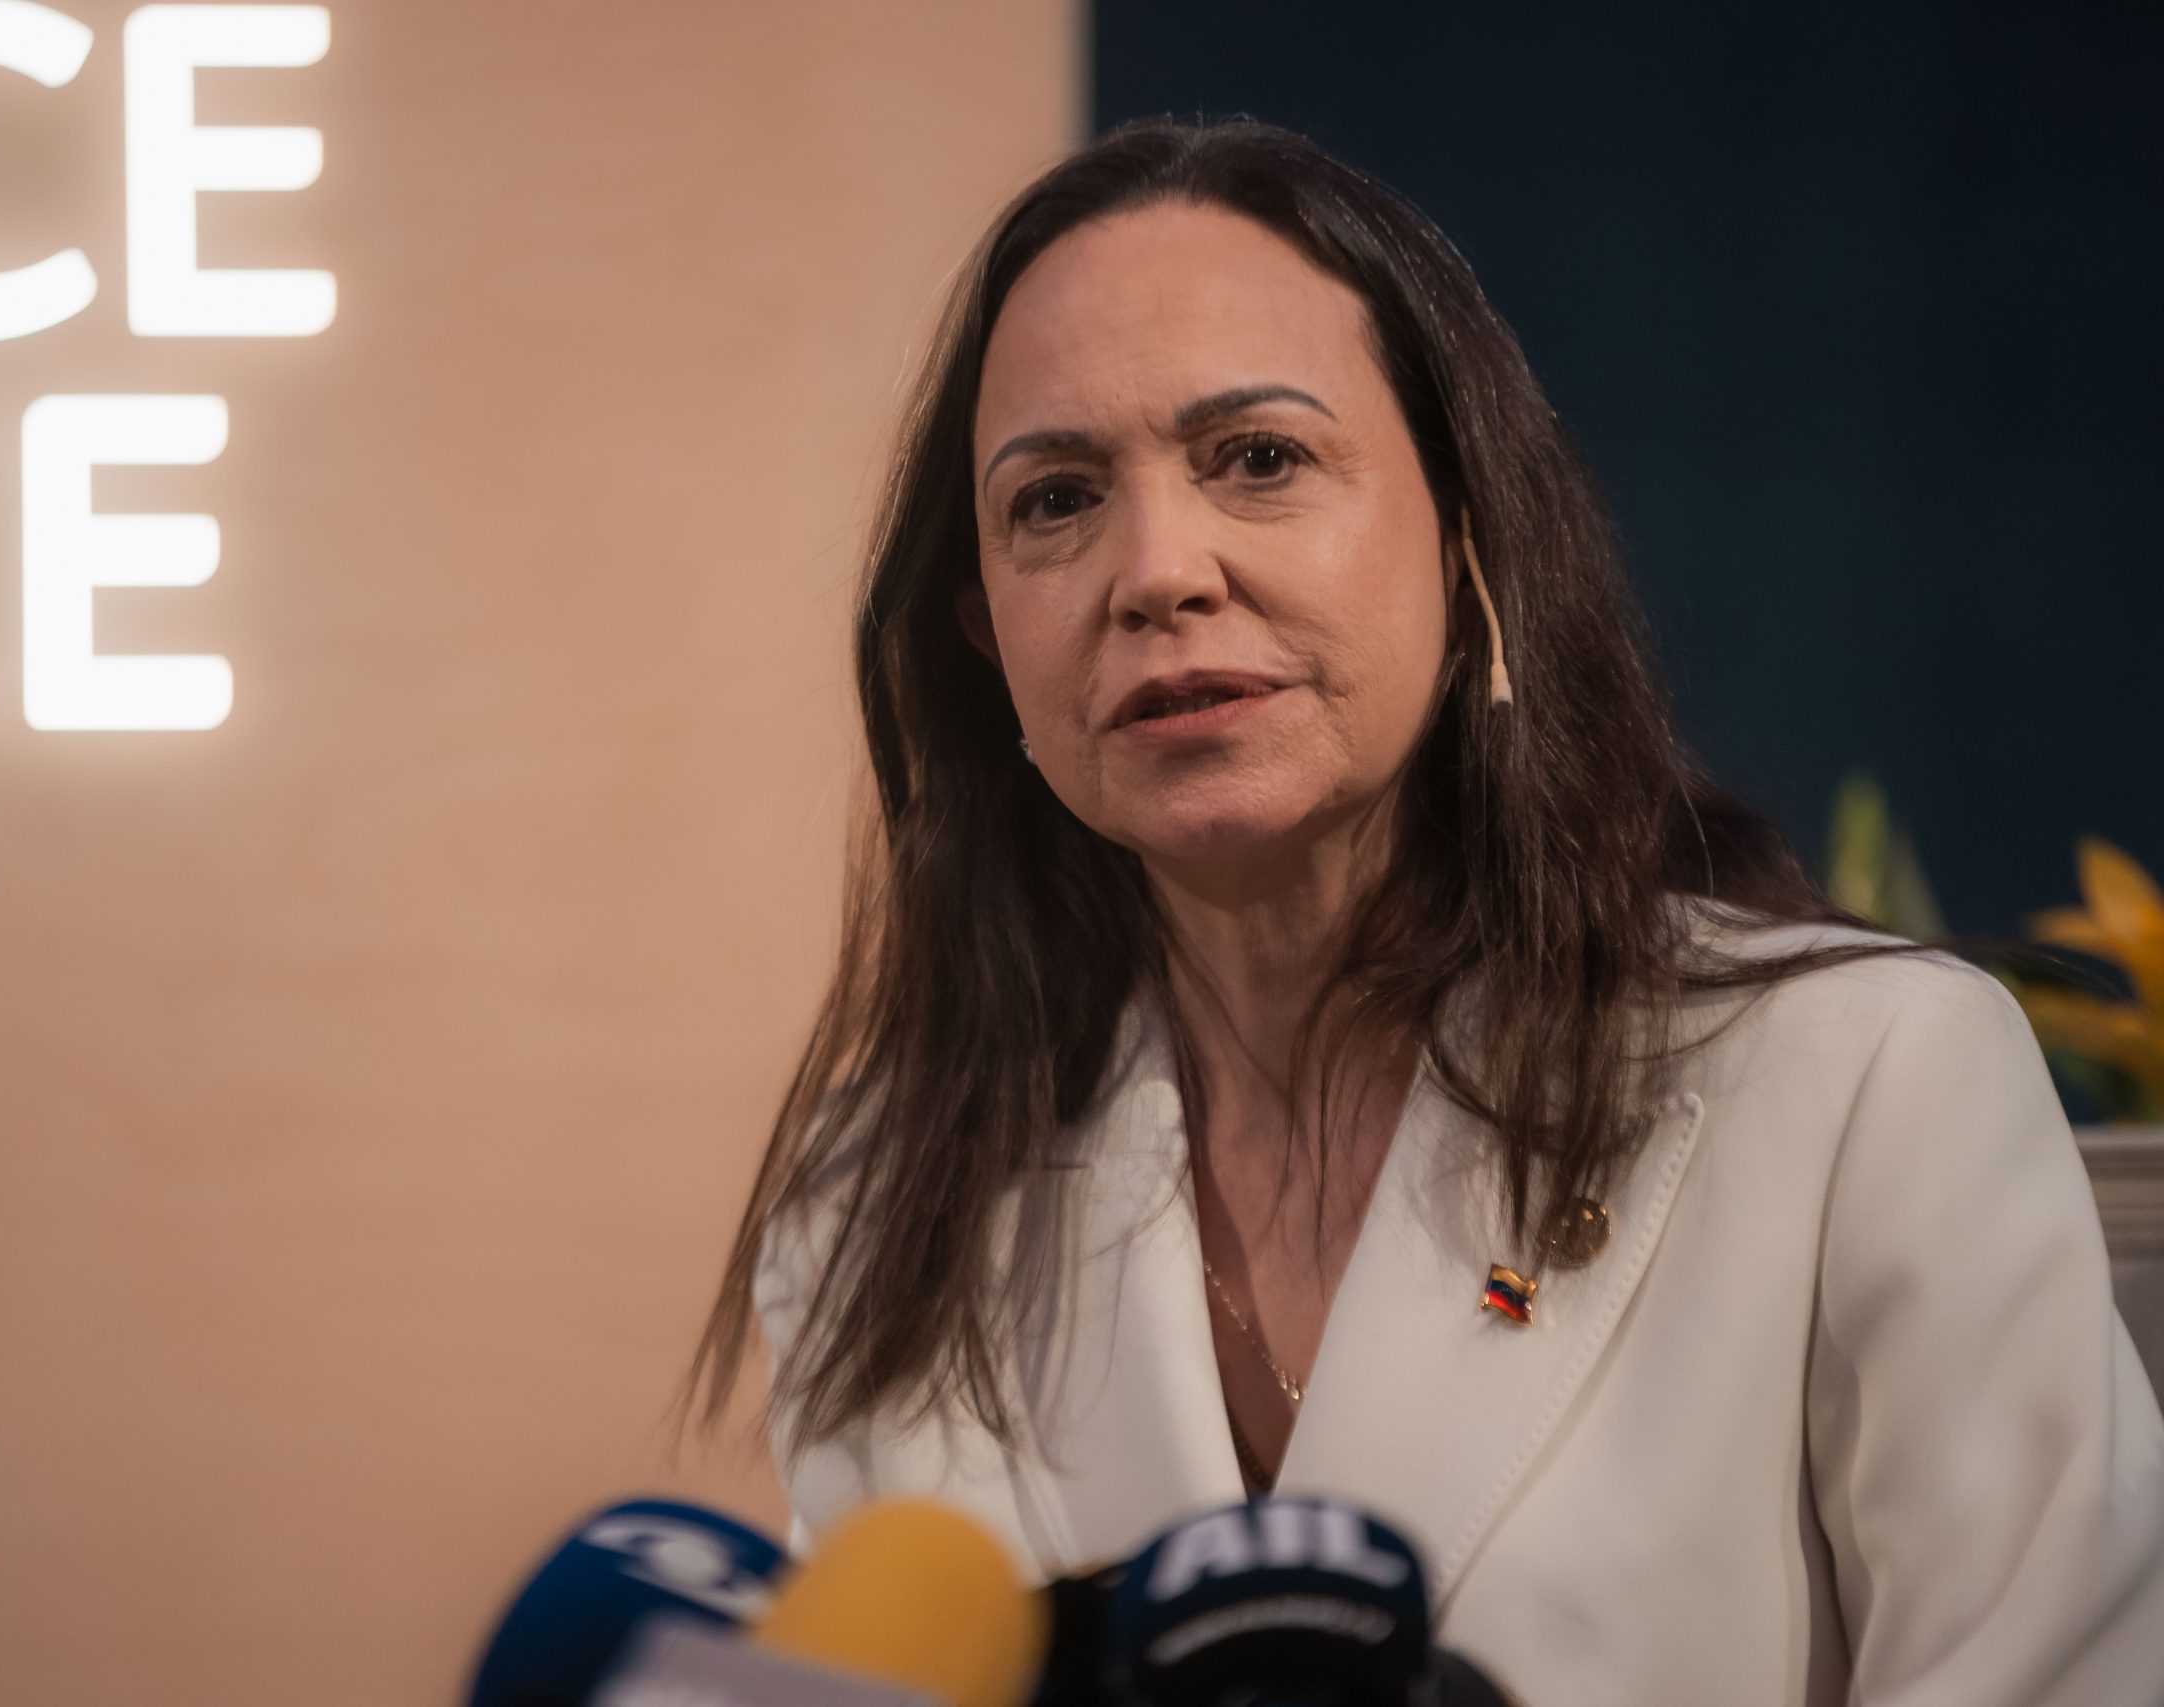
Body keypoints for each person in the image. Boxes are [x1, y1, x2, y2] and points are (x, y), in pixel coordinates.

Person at [676, 117, 2164, 1704]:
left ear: (1467, 538)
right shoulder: (880, 1204)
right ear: (986, 638)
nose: (1158, 570)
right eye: (1055, 499)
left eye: (1259, 459)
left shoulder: (1873, 1082)